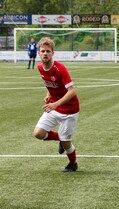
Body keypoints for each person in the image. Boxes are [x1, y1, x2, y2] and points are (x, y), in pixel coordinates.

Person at [33, 37, 80, 172]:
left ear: (53, 53)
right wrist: (49, 94)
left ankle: (73, 164)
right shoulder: (40, 67)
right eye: (43, 51)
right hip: (55, 106)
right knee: (38, 133)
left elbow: (72, 91)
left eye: (48, 51)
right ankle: (61, 138)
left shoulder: (60, 69)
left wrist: (55, 104)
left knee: (66, 143)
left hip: (70, 110)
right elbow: (48, 83)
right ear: (39, 53)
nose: (45, 53)